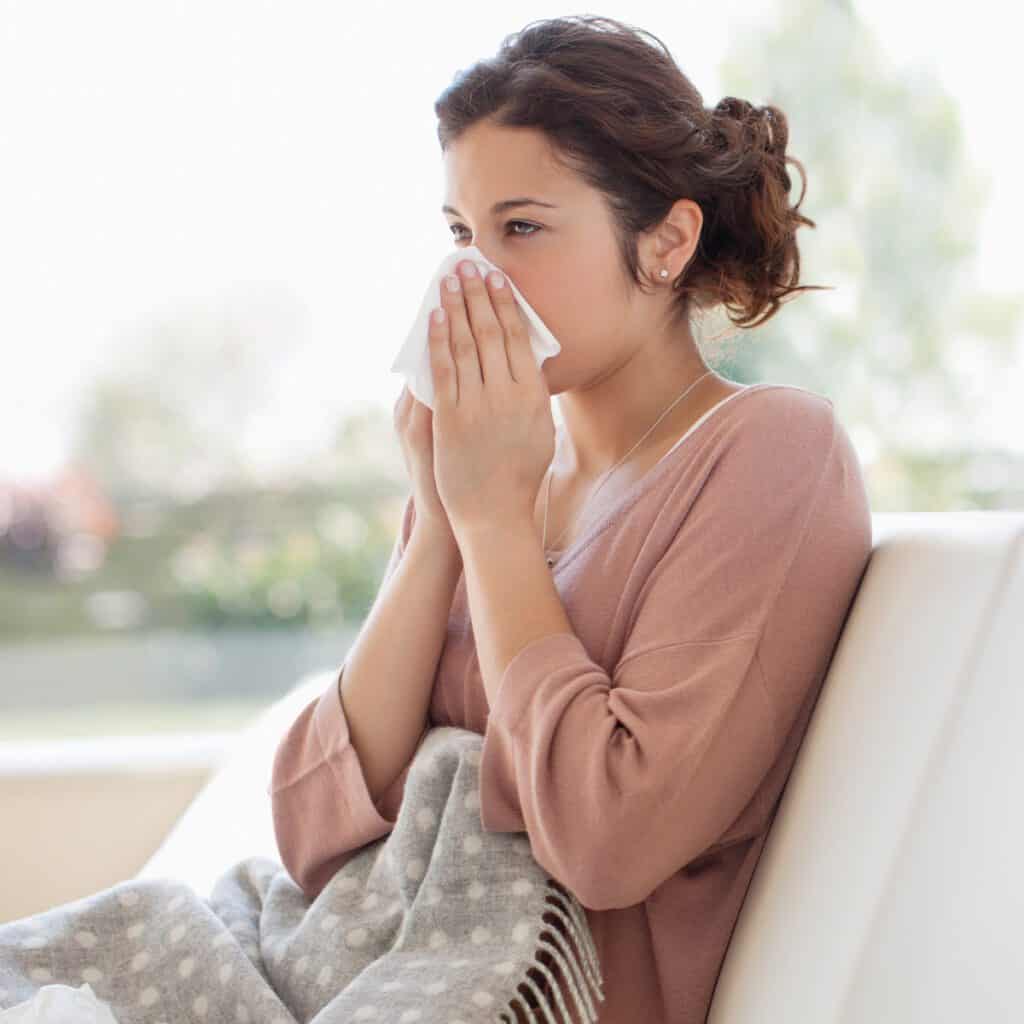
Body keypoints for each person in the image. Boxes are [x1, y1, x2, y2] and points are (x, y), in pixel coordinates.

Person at [269, 16, 872, 1024]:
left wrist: (496, 528)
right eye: (461, 234)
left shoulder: (770, 451)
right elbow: (312, 827)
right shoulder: (494, 468)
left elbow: (607, 838)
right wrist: (441, 527)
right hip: (355, 967)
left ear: (667, 242)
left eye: (523, 228)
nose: (473, 278)